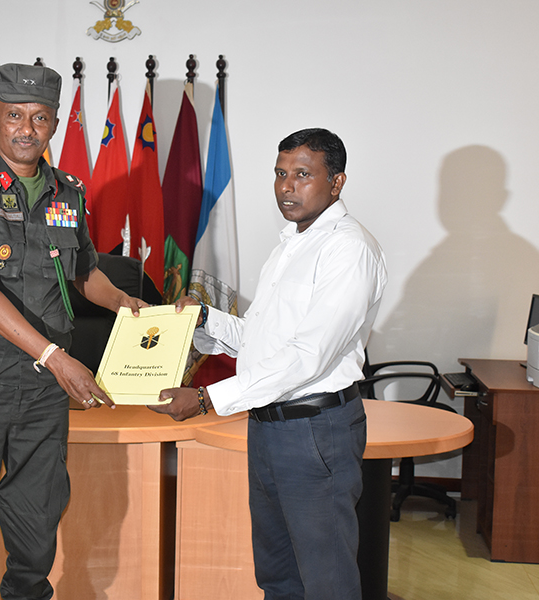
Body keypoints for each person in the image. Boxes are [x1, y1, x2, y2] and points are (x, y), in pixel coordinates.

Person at [0, 63, 146, 600]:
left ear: (54, 123)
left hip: (41, 393)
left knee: (36, 527)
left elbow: (85, 272)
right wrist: (57, 357)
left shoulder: (68, 189)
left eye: (39, 118)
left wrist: (127, 304)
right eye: (14, 115)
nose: (26, 128)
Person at [152, 128, 387, 600]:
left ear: (336, 182)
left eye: (303, 174)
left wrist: (205, 398)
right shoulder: (291, 244)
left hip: (314, 430)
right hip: (269, 427)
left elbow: (307, 356)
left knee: (326, 580)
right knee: (277, 575)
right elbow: (263, 343)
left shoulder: (348, 249)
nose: (286, 186)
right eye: (280, 174)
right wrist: (204, 318)